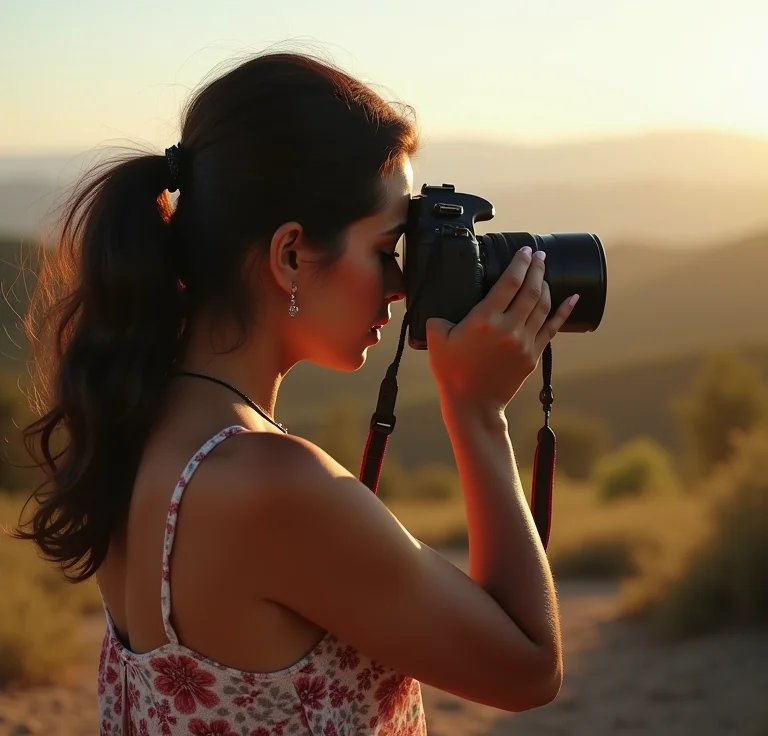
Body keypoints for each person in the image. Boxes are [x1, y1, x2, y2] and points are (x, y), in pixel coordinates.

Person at [15, 51, 579, 735]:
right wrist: (478, 412)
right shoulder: (273, 485)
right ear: (289, 256)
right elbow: (526, 671)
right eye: (386, 249)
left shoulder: (138, 428)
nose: (402, 287)